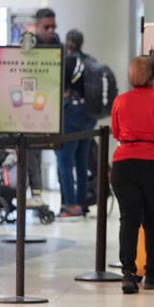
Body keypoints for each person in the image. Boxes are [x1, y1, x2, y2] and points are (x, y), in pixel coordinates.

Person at [111, 55, 154, 295]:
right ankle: (152, 274)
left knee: (128, 220)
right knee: (153, 222)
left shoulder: (120, 101)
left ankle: (128, 275)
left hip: (124, 164)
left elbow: (117, 133)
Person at [55, 30, 97, 218]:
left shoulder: (67, 62)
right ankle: (81, 203)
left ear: (68, 43)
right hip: (89, 116)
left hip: (70, 114)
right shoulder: (90, 61)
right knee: (81, 161)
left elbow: (60, 87)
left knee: (64, 161)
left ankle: (70, 205)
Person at [25, 8, 63, 208]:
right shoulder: (29, 46)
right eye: (46, 27)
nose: (50, 31)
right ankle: (35, 194)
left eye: (53, 27)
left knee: (49, 152)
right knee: (31, 154)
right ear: (37, 26)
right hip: (31, 108)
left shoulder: (58, 46)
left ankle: (41, 195)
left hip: (52, 109)